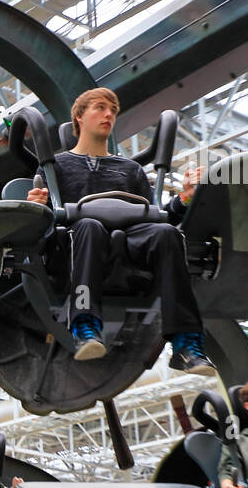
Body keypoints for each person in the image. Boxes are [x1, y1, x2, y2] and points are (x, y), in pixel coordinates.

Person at [25, 87, 214, 375]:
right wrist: (36, 209)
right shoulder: (56, 167)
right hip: (75, 254)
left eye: (113, 110)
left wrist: (184, 199)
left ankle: (186, 344)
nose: (109, 114)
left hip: (128, 254)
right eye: (100, 107)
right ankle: (85, 325)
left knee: (168, 235)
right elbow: (44, 228)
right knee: (89, 227)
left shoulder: (129, 170)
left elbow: (158, 218)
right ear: (79, 117)